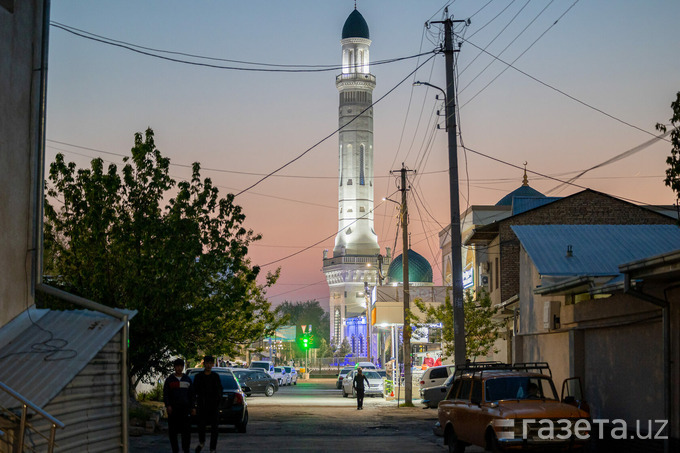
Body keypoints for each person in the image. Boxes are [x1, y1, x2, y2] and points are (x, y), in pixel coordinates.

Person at [163, 358, 195, 453]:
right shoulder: (170, 380)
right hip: (173, 410)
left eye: (181, 366)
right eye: (177, 366)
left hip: (185, 410)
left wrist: (192, 407)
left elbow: (192, 395)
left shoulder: (187, 380)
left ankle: (186, 449)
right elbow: (166, 394)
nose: (179, 368)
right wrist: (168, 405)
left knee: (186, 432)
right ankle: (175, 450)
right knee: (173, 432)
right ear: (174, 367)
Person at [193, 355, 223, 453]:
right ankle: (201, 442)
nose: (209, 365)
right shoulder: (199, 377)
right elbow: (194, 392)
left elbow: (220, 391)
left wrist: (217, 403)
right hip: (202, 406)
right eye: (207, 363)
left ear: (213, 364)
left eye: (211, 363)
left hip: (213, 407)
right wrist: (194, 405)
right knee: (201, 427)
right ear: (204, 364)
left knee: (215, 429)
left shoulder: (215, 377)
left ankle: (212, 448)